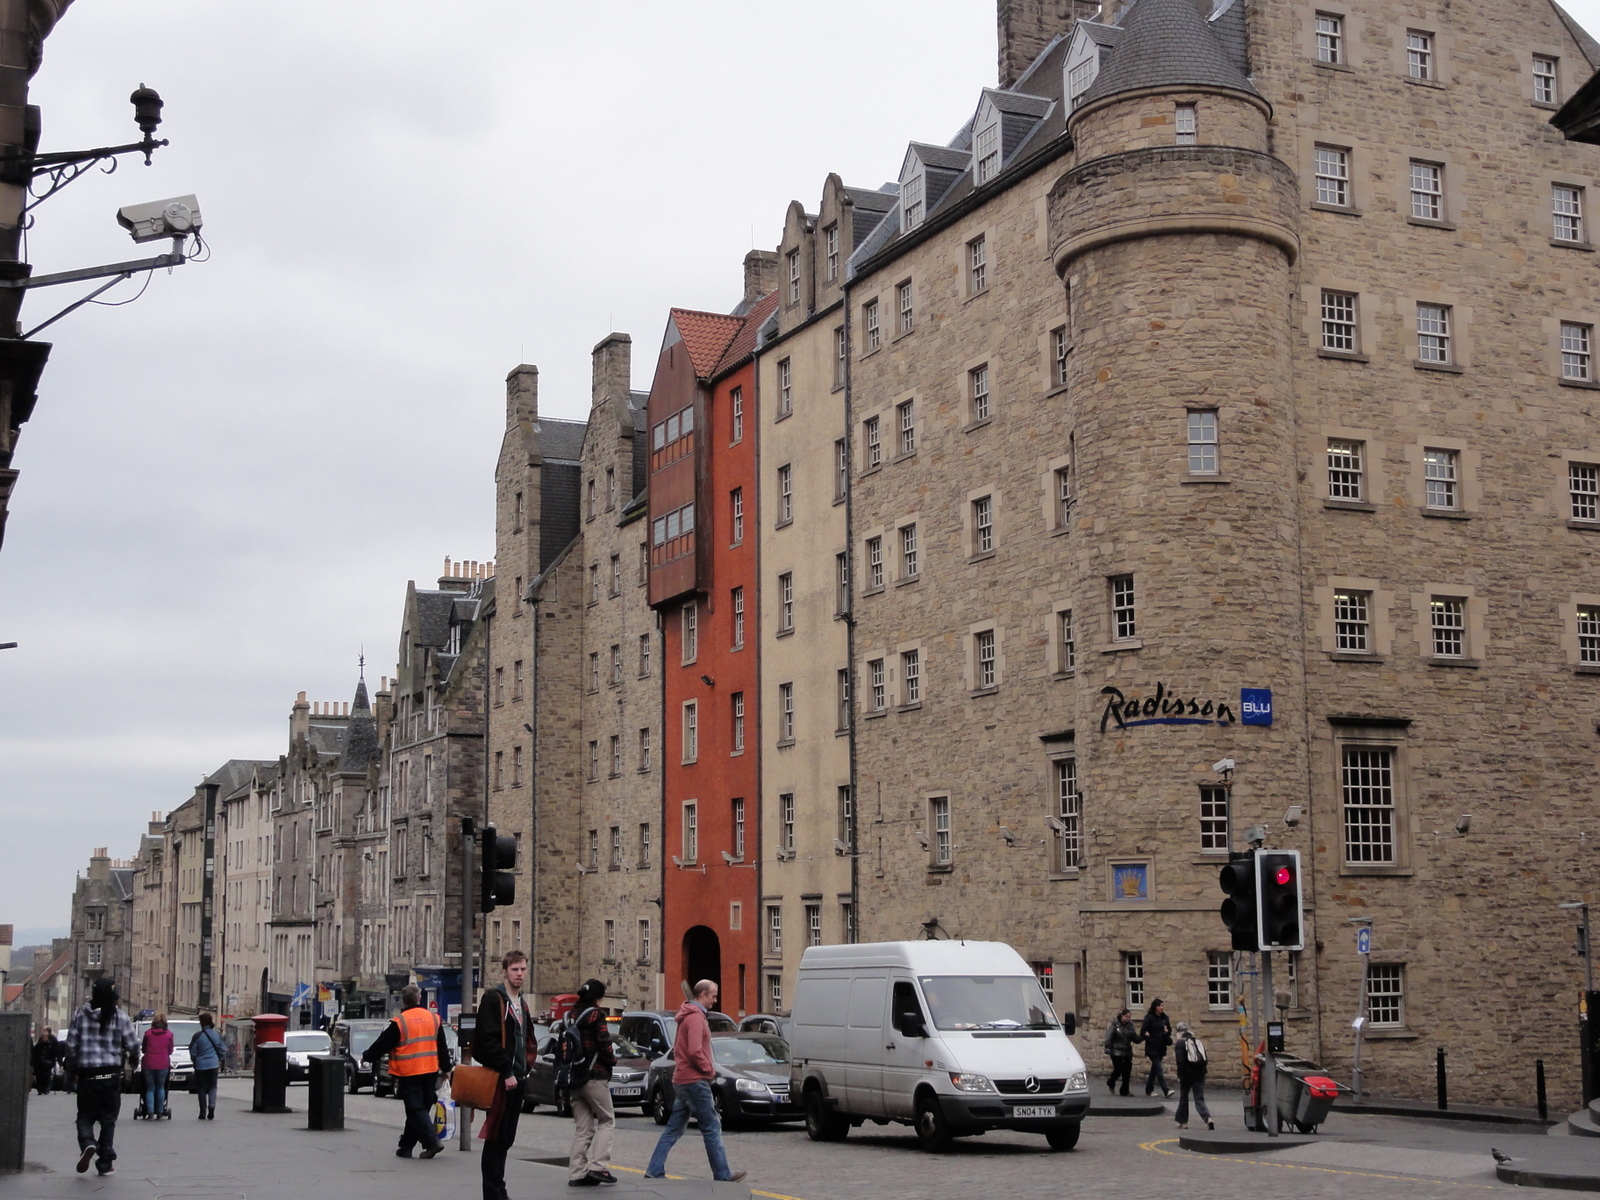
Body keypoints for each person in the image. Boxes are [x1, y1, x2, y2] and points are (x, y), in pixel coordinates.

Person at [644, 980, 746, 1184]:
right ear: (702, 994)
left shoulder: (688, 1015)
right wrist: (709, 1070)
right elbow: (694, 1050)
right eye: (713, 996)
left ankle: (654, 1169)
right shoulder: (696, 1018)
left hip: (683, 1079)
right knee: (712, 1126)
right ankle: (722, 1174)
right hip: (694, 1080)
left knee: (674, 1128)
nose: (715, 1000)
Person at [363, 984, 452, 1159]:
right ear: (419, 998)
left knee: (415, 1109)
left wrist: (367, 1057)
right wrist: (446, 1068)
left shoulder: (400, 1022)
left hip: (409, 1072)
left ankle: (432, 1142)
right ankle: (406, 1146)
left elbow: (382, 1045)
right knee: (419, 1110)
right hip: (430, 1071)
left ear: (404, 1001)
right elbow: (442, 1046)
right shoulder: (433, 1019)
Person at [474, 949, 535, 1200]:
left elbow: (525, 1039)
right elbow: (485, 1042)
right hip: (501, 1079)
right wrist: (506, 1070)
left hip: (518, 1078)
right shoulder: (494, 999)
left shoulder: (521, 1003)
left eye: (522, 969)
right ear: (505, 972)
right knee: (496, 1137)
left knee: (507, 1138)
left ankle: (499, 1189)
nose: (519, 974)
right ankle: (493, 1193)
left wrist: (525, 1067)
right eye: (514, 969)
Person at [64, 978, 139, 1177]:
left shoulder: (80, 1014)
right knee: (108, 1120)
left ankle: (88, 1142)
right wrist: (134, 1056)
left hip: (87, 1076)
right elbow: (133, 1043)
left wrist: (71, 1068)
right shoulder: (120, 1017)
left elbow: (71, 1045)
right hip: (111, 1075)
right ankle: (105, 1163)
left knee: (85, 1116)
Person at [565, 978, 617, 1187]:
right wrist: (612, 1060)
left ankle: (577, 1173)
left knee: (583, 1127)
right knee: (607, 1120)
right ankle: (598, 1167)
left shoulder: (570, 1016)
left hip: (574, 1077)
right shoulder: (596, 1015)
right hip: (595, 1075)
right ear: (597, 998)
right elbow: (604, 1043)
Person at [1172, 1020, 1214, 1130]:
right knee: (1199, 1098)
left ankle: (1183, 1122)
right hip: (1200, 1074)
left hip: (1187, 1076)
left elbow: (1180, 1062)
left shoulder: (1180, 1044)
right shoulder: (1197, 1041)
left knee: (1184, 1098)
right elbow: (1204, 1058)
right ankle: (1208, 1118)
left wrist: (1180, 1076)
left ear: (1179, 1032)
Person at [188, 1012, 226, 1119]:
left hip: (200, 1065)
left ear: (202, 1022)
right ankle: (212, 1107)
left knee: (202, 1088)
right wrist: (219, 1059)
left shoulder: (197, 1036)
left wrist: (195, 1061)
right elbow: (222, 1049)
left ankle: (202, 1112)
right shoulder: (217, 1034)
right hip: (213, 1064)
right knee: (213, 1086)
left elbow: (193, 1051)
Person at [1102, 1008, 1141, 1096]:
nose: (1128, 1019)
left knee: (1127, 1071)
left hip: (1127, 1051)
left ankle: (1125, 1090)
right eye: (1126, 1017)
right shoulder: (1115, 1025)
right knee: (1118, 1069)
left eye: (1129, 1017)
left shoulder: (1130, 1026)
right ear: (1122, 1016)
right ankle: (1111, 1081)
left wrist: (1142, 1037)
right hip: (1116, 1051)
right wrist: (1108, 1048)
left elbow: (1134, 1038)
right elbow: (1109, 1037)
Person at [141, 1014, 174, 1118]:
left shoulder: (148, 1034)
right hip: (163, 1063)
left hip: (148, 1063)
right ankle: (159, 1111)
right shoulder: (169, 1035)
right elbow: (170, 1050)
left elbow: (144, 1049)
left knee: (150, 1088)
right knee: (160, 1087)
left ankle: (150, 1111)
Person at [1141, 998, 1173, 1099]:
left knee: (1154, 1069)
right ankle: (1166, 1090)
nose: (1161, 1008)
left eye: (1162, 1005)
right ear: (1155, 1007)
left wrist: (1166, 1031)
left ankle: (1148, 1089)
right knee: (1159, 1069)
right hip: (1152, 1047)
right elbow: (1143, 1031)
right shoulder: (1149, 1018)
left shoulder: (1165, 1018)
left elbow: (1169, 1030)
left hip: (1161, 1047)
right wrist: (1149, 1038)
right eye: (1159, 1006)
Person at [31, 1027, 63, 1096]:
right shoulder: (40, 1043)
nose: (44, 1033)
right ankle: (41, 1089)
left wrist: (56, 1060)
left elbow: (55, 1051)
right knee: (40, 1076)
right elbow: (36, 1052)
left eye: (45, 1031)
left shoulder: (52, 1041)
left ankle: (45, 1088)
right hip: (40, 1062)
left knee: (46, 1075)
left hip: (48, 1062)